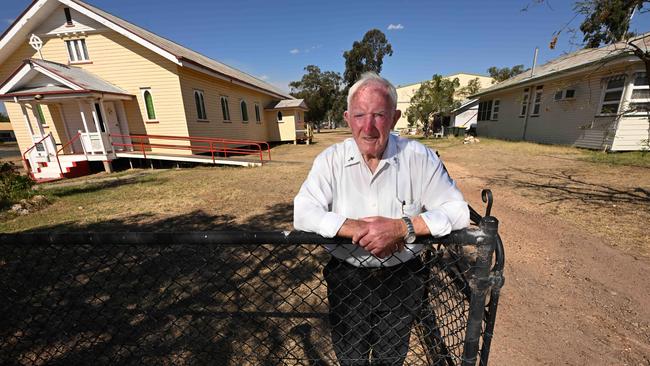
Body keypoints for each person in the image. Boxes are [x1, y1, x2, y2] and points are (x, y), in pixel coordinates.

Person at [293, 72, 469, 365]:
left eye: (379, 115)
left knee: (391, 357)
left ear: (395, 118)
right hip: (347, 277)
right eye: (360, 115)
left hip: (402, 277)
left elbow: (458, 211)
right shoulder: (330, 160)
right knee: (350, 358)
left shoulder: (419, 157)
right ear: (348, 118)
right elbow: (303, 211)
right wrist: (355, 228)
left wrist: (404, 227)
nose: (368, 126)